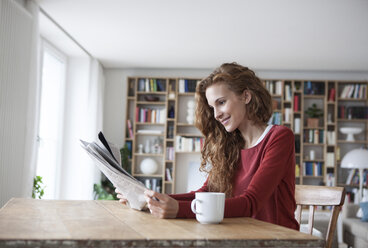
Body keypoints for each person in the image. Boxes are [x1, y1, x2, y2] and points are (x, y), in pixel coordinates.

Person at [116, 62, 299, 230]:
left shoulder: (279, 137)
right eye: (212, 107)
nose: (216, 114)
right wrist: (150, 198)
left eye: (221, 102)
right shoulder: (231, 145)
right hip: (243, 235)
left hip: (278, 238)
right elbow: (207, 192)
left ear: (246, 96)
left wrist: (180, 209)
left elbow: (250, 203)